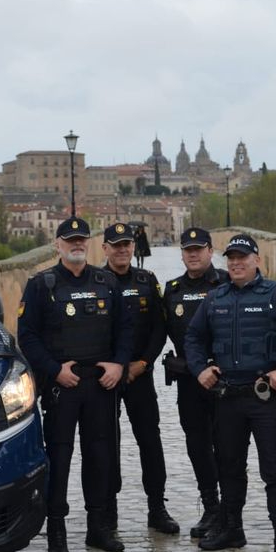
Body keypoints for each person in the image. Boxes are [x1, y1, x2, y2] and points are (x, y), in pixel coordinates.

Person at [184, 234, 276, 552]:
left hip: (263, 398)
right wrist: (200, 368)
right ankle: (232, 529)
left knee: (274, 471)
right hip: (227, 397)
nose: (236, 263)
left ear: (257, 259)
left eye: (242, 257)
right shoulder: (215, 298)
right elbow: (193, 337)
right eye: (231, 258)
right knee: (228, 467)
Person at [17, 217, 134, 552]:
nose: (76, 244)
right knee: (60, 459)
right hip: (63, 387)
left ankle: (99, 529)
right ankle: (57, 532)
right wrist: (53, 372)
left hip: (100, 384)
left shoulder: (107, 282)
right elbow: (27, 336)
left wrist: (118, 364)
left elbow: (125, 330)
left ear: (89, 242)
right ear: (58, 245)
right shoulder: (42, 285)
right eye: (70, 240)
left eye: (81, 239)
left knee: (100, 458)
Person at [101, 222, 178, 535]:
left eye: (127, 244)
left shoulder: (146, 280)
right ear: (104, 248)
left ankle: (157, 507)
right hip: (105, 378)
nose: (122, 250)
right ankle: (107, 511)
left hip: (139, 374)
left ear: (134, 247)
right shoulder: (96, 281)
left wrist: (144, 362)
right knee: (107, 444)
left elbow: (160, 328)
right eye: (116, 245)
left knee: (150, 441)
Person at [161, 227, 229, 538]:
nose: (193, 254)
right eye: (188, 249)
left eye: (199, 248)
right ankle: (211, 507)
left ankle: (229, 509)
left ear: (210, 251)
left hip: (224, 380)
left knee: (227, 444)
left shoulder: (227, 283)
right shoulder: (173, 290)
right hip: (189, 380)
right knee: (197, 445)